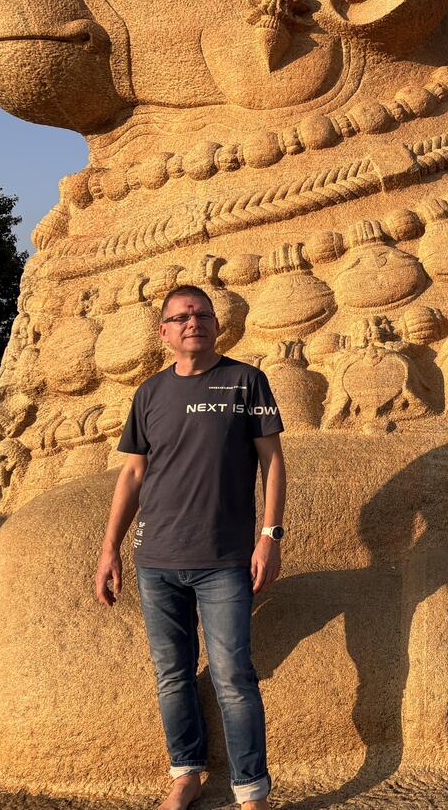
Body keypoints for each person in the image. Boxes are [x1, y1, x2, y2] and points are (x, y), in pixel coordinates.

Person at [94, 286, 287, 810]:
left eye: (201, 314)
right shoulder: (149, 393)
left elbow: (272, 462)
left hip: (224, 560)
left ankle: (251, 791)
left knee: (234, 677)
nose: (191, 322)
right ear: (164, 333)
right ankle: (186, 773)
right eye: (180, 317)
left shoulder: (246, 380)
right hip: (156, 560)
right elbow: (133, 474)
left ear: (217, 324)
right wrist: (110, 548)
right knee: (172, 675)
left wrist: (270, 536)